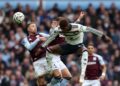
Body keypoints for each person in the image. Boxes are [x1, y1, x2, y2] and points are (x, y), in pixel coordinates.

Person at [41, 14, 111, 85]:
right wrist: (43, 45)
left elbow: (90, 29)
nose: (61, 29)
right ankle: (50, 70)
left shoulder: (76, 27)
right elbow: (51, 37)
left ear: (66, 26)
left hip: (77, 45)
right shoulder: (57, 29)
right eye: (58, 24)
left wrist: (104, 36)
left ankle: (82, 75)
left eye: (61, 26)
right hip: (66, 47)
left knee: (85, 52)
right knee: (49, 50)